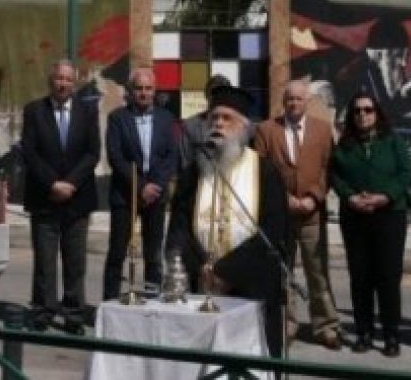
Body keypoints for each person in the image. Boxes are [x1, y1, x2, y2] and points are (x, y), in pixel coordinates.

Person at [167, 85, 289, 356]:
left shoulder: (265, 172)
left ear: (243, 128)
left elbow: (273, 232)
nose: (218, 124)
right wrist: (200, 267)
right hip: (202, 283)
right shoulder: (194, 173)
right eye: (214, 118)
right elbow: (179, 229)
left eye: (227, 118)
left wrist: (226, 271)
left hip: (250, 285)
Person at [254, 79, 343, 350]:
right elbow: (260, 169)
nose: (294, 103)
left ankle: (326, 326)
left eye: (299, 99)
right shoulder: (267, 130)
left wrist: (313, 197)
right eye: (289, 99)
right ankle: (286, 325)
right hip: (280, 214)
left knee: (318, 272)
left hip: (312, 213)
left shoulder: (322, 129)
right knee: (284, 271)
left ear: (307, 102)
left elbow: (329, 168)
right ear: (283, 102)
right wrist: (285, 199)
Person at [328, 92, 411, 357]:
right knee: (361, 277)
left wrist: (384, 196)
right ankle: (364, 333)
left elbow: (405, 173)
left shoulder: (393, 141)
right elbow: (334, 174)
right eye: (357, 111)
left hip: (389, 216)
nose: (363, 115)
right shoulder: (344, 144)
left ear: (377, 113)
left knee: (388, 278)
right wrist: (350, 196)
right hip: (355, 218)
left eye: (368, 110)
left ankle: (391, 335)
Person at [20, 60, 101, 334]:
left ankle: (73, 315)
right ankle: (43, 310)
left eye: (67, 79)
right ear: (50, 81)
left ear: (74, 82)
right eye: (58, 79)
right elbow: (29, 152)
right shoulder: (34, 111)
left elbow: (93, 153)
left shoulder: (87, 111)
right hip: (45, 198)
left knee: (75, 262)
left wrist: (70, 184)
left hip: (77, 200)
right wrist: (53, 183)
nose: (63, 84)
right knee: (45, 261)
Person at [103, 67, 177, 300]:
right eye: (139, 88)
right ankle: (109, 302)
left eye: (148, 88)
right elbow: (116, 157)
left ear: (154, 91)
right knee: (117, 252)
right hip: (125, 195)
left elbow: (170, 157)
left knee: (153, 254)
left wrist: (155, 185)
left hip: (155, 196)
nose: (144, 93)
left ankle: (152, 300)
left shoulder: (167, 119)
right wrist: (140, 186)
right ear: (130, 91)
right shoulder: (117, 118)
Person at [177, 74, 232, 173]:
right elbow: (185, 165)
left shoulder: (241, 127)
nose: (218, 98)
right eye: (213, 94)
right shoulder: (190, 126)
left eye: (222, 94)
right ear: (206, 96)